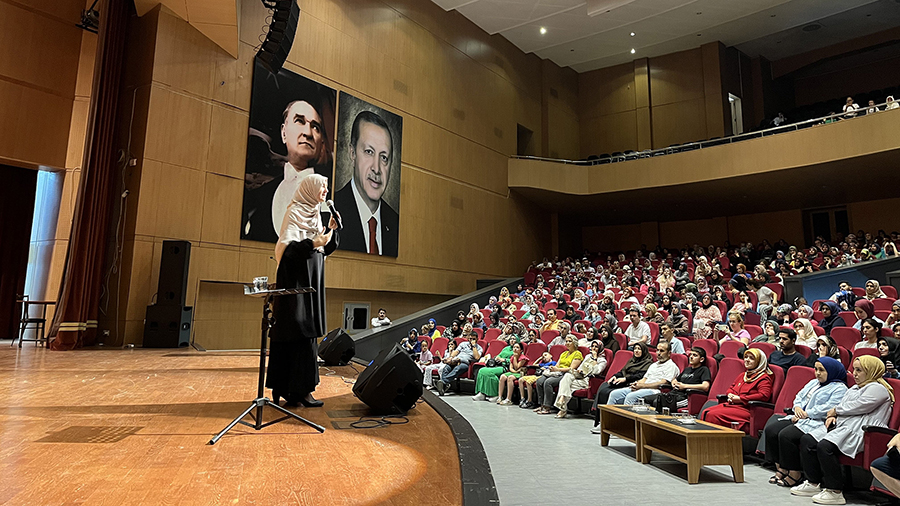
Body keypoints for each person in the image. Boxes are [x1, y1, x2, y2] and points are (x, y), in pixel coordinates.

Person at [267, 174, 339, 408]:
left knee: (307, 333)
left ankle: (301, 390)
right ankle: (291, 390)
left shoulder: (316, 215)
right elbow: (287, 252)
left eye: (327, 187)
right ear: (310, 188)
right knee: (296, 331)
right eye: (323, 187)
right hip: (295, 284)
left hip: (313, 281)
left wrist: (331, 233)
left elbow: (322, 250)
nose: (326, 191)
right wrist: (313, 243)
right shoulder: (295, 212)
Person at [790, 356, 894, 504]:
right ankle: (813, 483)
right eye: (854, 369)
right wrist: (833, 416)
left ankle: (835, 491)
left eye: (859, 370)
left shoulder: (878, 388)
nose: (854, 374)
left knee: (825, 446)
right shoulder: (855, 387)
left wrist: (835, 412)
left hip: (863, 430)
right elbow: (844, 406)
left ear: (871, 371)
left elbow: (859, 406)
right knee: (808, 440)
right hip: (844, 424)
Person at [243, 100, 332, 242]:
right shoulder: (262, 196)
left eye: (315, 127)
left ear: (321, 142)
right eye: (299, 121)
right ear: (283, 133)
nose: (308, 132)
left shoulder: (332, 194)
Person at [762, 357, 848, 488]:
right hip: (800, 417)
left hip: (816, 421)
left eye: (822, 370)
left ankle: (795, 473)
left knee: (786, 436)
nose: (817, 373)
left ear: (831, 371)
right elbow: (799, 396)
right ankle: (781, 468)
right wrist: (797, 409)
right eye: (816, 369)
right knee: (771, 430)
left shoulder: (840, 388)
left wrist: (806, 414)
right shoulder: (813, 383)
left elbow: (829, 407)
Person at [332, 110, 399, 256]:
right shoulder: (330, 212)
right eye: (369, 152)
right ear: (352, 153)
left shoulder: (396, 223)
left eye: (384, 158)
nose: (376, 168)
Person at [702, 348, 774, 433]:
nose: (747, 360)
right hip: (733, 405)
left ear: (759, 361)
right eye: (746, 357)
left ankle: (716, 444)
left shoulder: (764, 378)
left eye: (751, 358)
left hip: (748, 409)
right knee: (706, 412)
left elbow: (763, 396)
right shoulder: (743, 375)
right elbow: (731, 388)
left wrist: (740, 399)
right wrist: (730, 395)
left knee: (712, 415)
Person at [590, 342, 653, 433]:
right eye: (635, 349)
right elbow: (623, 371)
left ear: (644, 351)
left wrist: (625, 379)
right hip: (623, 380)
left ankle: (610, 423)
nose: (636, 351)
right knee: (604, 389)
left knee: (609, 393)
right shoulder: (631, 360)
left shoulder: (648, 363)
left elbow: (640, 376)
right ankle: (600, 421)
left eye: (639, 349)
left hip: (632, 383)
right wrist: (615, 376)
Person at [607, 341, 680, 406]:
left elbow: (663, 382)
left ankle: (627, 421)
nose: (658, 353)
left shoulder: (671, 366)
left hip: (655, 391)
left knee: (630, 397)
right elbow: (644, 379)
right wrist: (636, 384)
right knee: (614, 394)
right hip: (643, 387)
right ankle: (609, 420)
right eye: (657, 350)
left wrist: (643, 386)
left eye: (662, 351)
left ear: (669, 353)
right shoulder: (654, 365)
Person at [644, 347, 712, 409]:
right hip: (673, 394)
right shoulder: (687, 369)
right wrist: (674, 383)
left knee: (658, 403)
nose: (691, 357)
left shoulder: (704, 369)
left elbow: (705, 386)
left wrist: (685, 386)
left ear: (702, 359)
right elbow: (674, 379)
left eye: (695, 355)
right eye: (691, 355)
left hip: (686, 397)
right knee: (645, 399)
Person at [554, 340, 607, 418]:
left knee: (567, 386)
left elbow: (596, 371)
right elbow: (580, 367)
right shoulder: (588, 356)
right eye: (592, 346)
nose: (594, 348)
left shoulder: (602, 361)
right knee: (567, 376)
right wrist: (580, 370)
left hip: (588, 380)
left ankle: (562, 409)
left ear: (600, 348)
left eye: (596, 347)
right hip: (580, 376)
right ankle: (562, 400)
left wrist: (595, 358)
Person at [534, 335, 583, 415]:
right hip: (557, 372)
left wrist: (558, 369)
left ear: (574, 343)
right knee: (540, 380)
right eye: (566, 341)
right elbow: (557, 365)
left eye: (569, 341)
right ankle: (541, 404)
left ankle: (547, 406)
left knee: (548, 382)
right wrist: (552, 368)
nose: (567, 343)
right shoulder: (564, 353)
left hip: (566, 374)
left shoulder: (577, 354)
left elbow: (571, 368)